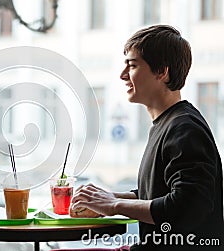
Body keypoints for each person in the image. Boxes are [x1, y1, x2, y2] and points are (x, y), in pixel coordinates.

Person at [68, 25, 224, 250]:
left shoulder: (185, 128)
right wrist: (108, 197)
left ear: (162, 72)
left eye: (132, 65)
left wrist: (115, 205)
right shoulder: (169, 124)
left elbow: (188, 206)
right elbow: (160, 193)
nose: (123, 75)